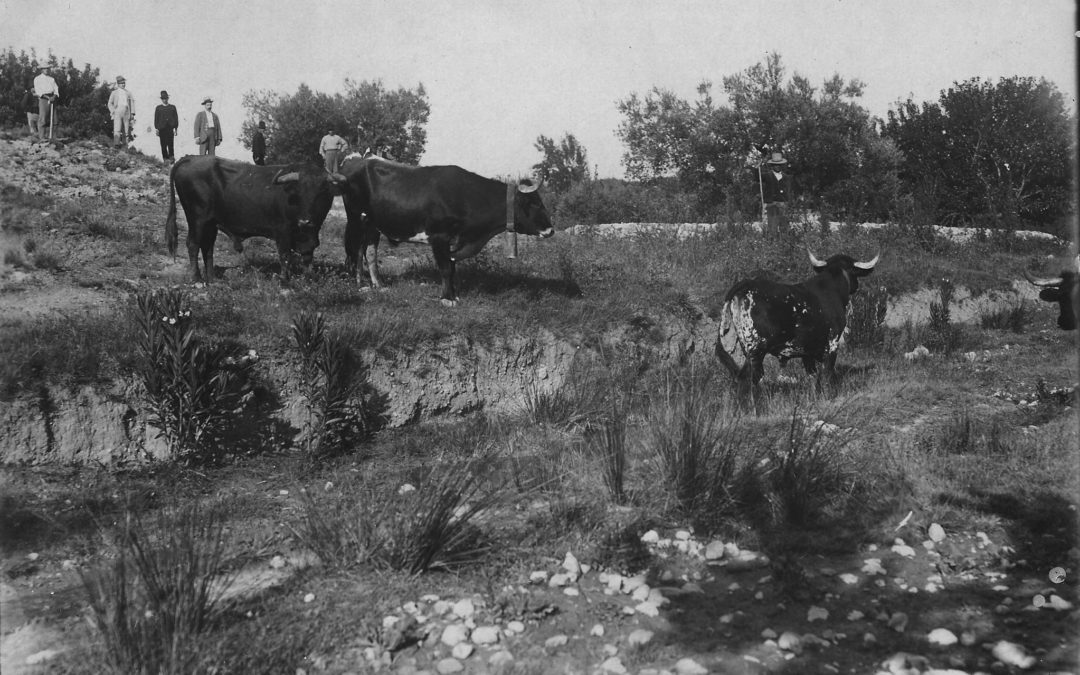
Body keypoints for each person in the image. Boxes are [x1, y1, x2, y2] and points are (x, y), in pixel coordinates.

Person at [759, 151, 792, 237]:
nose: (777, 166)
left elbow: (788, 190)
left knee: (784, 226)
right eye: (775, 165)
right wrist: (759, 165)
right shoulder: (766, 176)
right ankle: (772, 243)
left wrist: (787, 202)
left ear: (781, 165)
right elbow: (757, 176)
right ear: (772, 166)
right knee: (772, 226)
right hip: (771, 204)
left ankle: (784, 243)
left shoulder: (786, 177)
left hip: (783, 204)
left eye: (779, 165)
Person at [107, 76, 135, 149]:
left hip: (126, 112)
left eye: (124, 83)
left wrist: (132, 113)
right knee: (117, 128)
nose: (123, 84)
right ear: (118, 84)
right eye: (121, 83)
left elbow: (132, 102)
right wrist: (113, 111)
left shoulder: (128, 93)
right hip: (117, 111)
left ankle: (125, 146)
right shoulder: (114, 92)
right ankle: (116, 144)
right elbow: (109, 103)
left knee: (126, 130)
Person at [33, 65, 59, 140]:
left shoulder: (52, 79)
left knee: (55, 119)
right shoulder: (37, 79)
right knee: (43, 119)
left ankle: (53, 137)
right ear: (41, 69)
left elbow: (56, 89)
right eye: (45, 68)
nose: (46, 70)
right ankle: (42, 138)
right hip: (43, 98)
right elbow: (38, 91)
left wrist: (54, 96)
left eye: (48, 68)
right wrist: (48, 98)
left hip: (53, 98)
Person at [154, 90, 179, 162]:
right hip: (162, 128)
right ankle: (165, 159)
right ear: (161, 99)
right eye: (163, 98)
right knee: (163, 144)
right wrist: (157, 129)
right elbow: (156, 119)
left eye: (166, 98)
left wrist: (176, 129)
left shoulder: (172, 107)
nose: (164, 100)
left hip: (170, 128)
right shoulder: (158, 108)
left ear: (168, 98)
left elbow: (176, 118)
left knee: (170, 144)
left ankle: (171, 158)